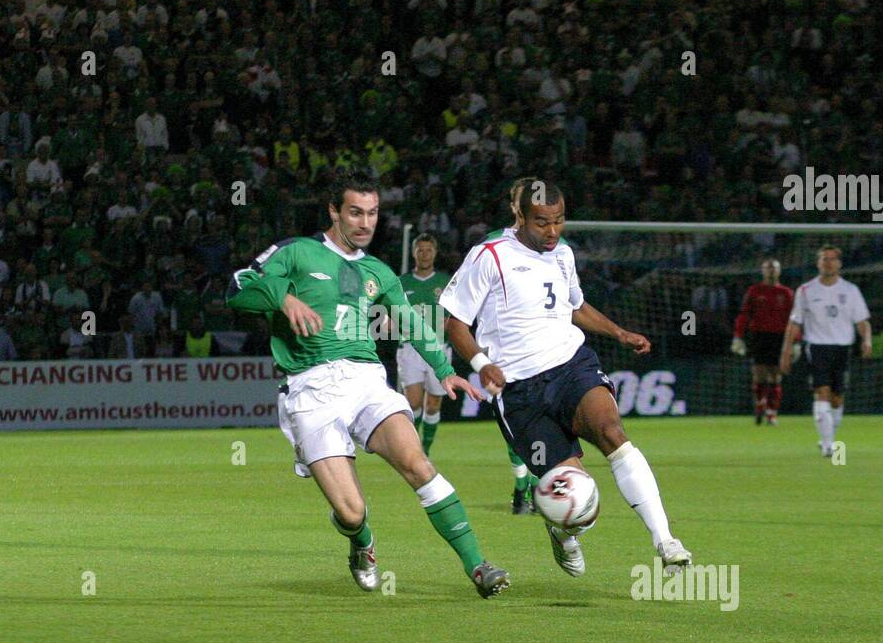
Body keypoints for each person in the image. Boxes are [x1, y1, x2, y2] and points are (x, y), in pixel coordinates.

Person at [226, 171, 510, 599]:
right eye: (355, 212)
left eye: (373, 213)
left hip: (366, 381)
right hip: (310, 389)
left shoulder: (378, 272)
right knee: (351, 511)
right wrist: (282, 298)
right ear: (334, 212)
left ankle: (478, 566)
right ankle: (361, 542)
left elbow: (411, 322)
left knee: (419, 465)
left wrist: (444, 368)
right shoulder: (297, 253)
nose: (365, 223)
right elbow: (238, 288)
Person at [441, 176, 693, 578]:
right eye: (542, 222)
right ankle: (563, 532)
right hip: (519, 390)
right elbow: (455, 323)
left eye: (559, 221)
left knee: (612, 432)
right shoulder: (488, 256)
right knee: (575, 495)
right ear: (519, 216)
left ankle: (665, 541)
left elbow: (574, 307)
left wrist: (618, 332)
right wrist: (480, 364)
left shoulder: (563, 255)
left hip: (571, 365)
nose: (552, 231)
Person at [780, 245, 872, 456]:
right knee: (821, 392)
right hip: (817, 347)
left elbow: (862, 321)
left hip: (843, 348)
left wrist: (866, 340)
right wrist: (785, 352)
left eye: (832, 259)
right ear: (818, 263)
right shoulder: (805, 290)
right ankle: (828, 445)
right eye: (824, 259)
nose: (828, 262)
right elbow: (794, 324)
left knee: (837, 399)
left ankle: (829, 437)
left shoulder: (850, 291)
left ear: (839, 264)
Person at [394, 233, 451, 454]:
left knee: (433, 404)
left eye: (429, 250)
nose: (424, 254)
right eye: (420, 250)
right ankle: (413, 449)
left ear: (435, 253)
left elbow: (454, 314)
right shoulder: (402, 283)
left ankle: (424, 450)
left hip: (439, 347)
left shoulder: (445, 282)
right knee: (414, 403)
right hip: (410, 347)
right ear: (413, 253)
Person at [731, 258, 794, 424]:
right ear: (763, 271)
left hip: (780, 337)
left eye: (774, 268)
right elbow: (744, 314)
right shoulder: (754, 291)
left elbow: (793, 319)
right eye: (768, 268)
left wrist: (796, 341)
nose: (771, 271)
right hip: (759, 335)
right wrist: (738, 336)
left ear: (779, 271)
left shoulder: (786, 293)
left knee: (775, 376)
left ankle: (771, 413)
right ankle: (760, 405)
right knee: (759, 373)